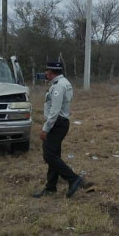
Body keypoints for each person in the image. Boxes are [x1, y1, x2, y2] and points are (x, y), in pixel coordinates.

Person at [32, 60, 85, 198]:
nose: (45, 73)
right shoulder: (64, 83)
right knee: (54, 155)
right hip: (61, 123)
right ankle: (50, 187)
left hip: (56, 124)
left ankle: (73, 179)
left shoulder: (58, 87)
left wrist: (45, 129)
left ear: (51, 72)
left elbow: (54, 111)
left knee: (49, 155)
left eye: (47, 71)